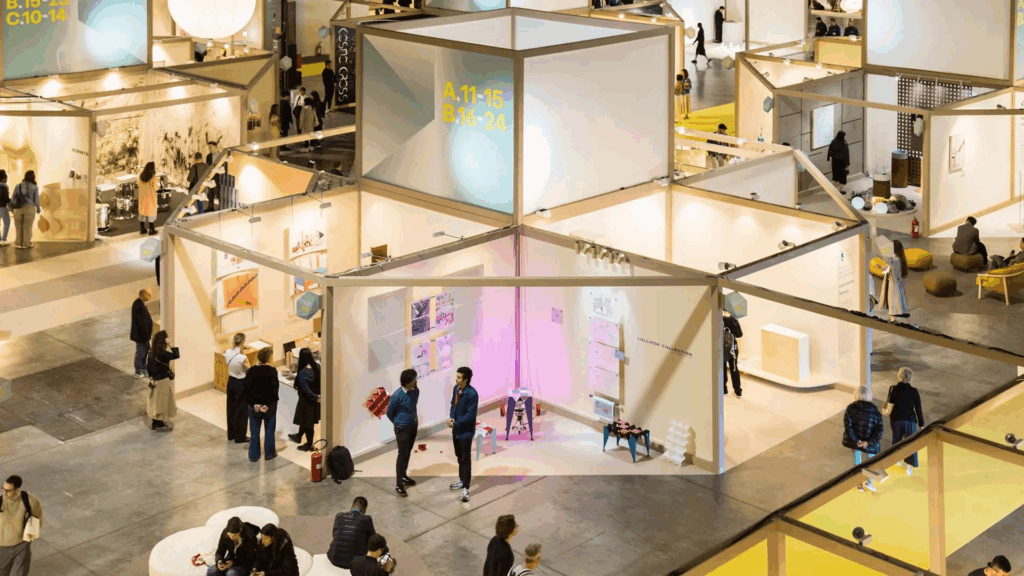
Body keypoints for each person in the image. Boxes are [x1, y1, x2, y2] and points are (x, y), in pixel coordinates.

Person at [842, 385, 884, 492]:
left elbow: (848, 427)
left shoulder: (850, 408)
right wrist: (869, 442)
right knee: (871, 463)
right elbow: (879, 430)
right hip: (869, 443)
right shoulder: (875, 411)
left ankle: (858, 484)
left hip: (855, 442)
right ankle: (869, 482)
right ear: (869, 395)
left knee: (857, 462)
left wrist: (857, 441)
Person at [386, 368, 420, 497]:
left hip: (413, 426)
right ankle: (399, 484)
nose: (416, 381)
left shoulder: (415, 391)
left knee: (408, 452)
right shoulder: (397, 396)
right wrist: (398, 423)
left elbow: (413, 405)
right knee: (402, 454)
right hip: (402, 429)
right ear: (407, 382)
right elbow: (389, 412)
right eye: (414, 380)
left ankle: (404, 476)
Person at [886, 366, 925, 476]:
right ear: (910, 378)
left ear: (899, 376)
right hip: (910, 420)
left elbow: (889, 403)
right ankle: (908, 467)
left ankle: (896, 459)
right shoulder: (914, 391)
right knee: (910, 443)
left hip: (896, 419)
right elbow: (918, 409)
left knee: (896, 440)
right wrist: (921, 424)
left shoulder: (893, 389)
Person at [0, 475, 42, 576]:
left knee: (20, 573)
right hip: (2, 547)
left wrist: (29, 538)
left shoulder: (29, 500)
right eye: (3, 489)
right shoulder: (0, 502)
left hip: (21, 546)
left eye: (8, 491)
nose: (4, 493)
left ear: (17, 490)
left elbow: (37, 517)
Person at [448, 366, 479, 503]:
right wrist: (451, 417)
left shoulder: (472, 394)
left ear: (466, 379)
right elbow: (453, 405)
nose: (456, 379)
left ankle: (466, 488)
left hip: (465, 432)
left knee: (466, 459)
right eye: (457, 376)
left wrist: (456, 423)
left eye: (459, 377)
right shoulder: (456, 389)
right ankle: (461, 479)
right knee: (459, 456)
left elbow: (470, 415)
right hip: (456, 430)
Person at [244, 347, 279, 462]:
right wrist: (267, 405)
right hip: (269, 406)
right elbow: (274, 390)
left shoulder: (251, 371)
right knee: (269, 430)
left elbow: (246, 390)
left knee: (254, 431)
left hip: (254, 406)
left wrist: (254, 404)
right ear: (269, 358)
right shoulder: (272, 371)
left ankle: (254, 455)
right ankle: (269, 453)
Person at [327, 497, 377, 569]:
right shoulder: (367, 519)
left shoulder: (339, 516)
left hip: (334, 558)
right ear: (364, 511)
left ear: (351, 507)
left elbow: (334, 534)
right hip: (355, 562)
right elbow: (373, 540)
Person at [288, 348, 321, 451]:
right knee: (305, 420)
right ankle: (298, 436)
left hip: (306, 401)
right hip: (315, 401)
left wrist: (315, 396)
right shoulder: (317, 367)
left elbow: (305, 390)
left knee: (308, 424)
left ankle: (309, 445)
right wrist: (318, 396)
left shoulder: (303, 372)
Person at [147, 330, 180, 432]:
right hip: (163, 381)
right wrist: (171, 345)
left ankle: (156, 422)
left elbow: (148, 368)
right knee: (162, 402)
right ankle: (157, 424)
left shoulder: (151, 353)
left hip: (154, 381)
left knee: (155, 402)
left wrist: (152, 377)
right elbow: (176, 355)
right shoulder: (163, 354)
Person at [224, 334, 251, 444]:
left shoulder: (227, 352)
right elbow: (250, 370)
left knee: (231, 409)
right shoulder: (242, 358)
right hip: (241, 383)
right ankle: (240, 437)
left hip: (231, 382)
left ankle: (231, 434)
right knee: (241, 411)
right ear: (243, 342)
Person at [879, 240, 910, 322]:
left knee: (893, 302)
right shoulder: (897, 259)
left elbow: (885, 259)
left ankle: (893, 320)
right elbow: (886, 269)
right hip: (893, 284)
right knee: (894, 303)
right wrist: (880, 267)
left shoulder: (895, 260)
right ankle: (893, 320)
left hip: (894, 285)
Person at [11, 170, 39, 250]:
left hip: (18, 209)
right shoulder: (34, 187)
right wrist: (38, 208)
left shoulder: (18, 186)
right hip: (30, 209)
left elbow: (13, 198)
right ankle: (26, 243)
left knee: (18, 227)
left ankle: (18, 243)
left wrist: (12, 208)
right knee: (28, 227)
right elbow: (36, 200)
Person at [131, 288, 154, 379]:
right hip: (141, 335)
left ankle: (143, 369)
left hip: (144, 335)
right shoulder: (139, 306)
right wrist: (146, 337)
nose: (150, 296)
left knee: (145, 351)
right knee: (141, 352)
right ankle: (138, 371)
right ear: (142, 295)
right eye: (148, 294)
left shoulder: (141, 303)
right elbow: (141, 324)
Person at [723, 309, 742, 398]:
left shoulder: (718, 319)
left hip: (722, 348)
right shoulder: (734, 320)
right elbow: (739, 334)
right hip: (733, 347)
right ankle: (738, 392)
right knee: (734, 368)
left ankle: (724, 390)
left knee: (722, 368)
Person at [138, 161, 158, 236]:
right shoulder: (153, 178)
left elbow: (138, 185)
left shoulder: (141, 176)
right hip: (150, 197)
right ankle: (151, 229)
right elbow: (156, 188)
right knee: (151, 212)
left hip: (142, 197)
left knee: (142, 212)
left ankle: (142, 228)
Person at [0, 170, 10, 246]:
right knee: (7, 222)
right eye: (5, 178)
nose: (6, 180)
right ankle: (3, 239)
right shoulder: (4, 187)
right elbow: (6, 199)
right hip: (2, 207)